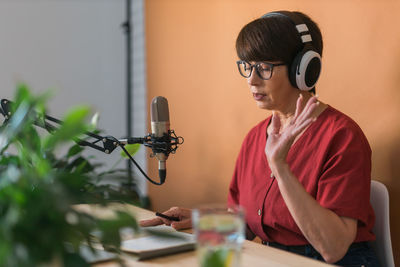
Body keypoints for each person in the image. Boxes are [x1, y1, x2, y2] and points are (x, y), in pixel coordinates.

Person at [140, 10, 380, 266]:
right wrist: (198, 220)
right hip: (273, 257)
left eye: (264, 67)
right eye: (247, 67)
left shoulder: (342, 136)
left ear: (304, 69)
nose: (252, 80)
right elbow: (246, 224)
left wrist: (280, 166)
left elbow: (333, 248)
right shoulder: (256, 137)